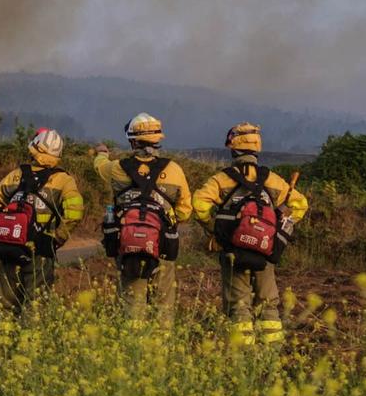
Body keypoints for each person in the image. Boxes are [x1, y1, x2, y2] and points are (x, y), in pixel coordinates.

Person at [192, 122, 309, 346]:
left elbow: (198, 204)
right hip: (264, 251)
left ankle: (243, 353)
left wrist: (213, 230)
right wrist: (276, 227)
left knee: (238, 305)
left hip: (233, 251)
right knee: (268, 303)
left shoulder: (221, 179)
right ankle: (272, 350)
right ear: (257, 147)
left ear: (233, 147)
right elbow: (300, 204)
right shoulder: (272, 179)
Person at [93, 112, 192, 323]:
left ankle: (133, 340)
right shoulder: (174, 170)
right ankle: (161, 341)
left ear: (133, 142)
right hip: (162, 245)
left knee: (132, 303)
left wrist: (101, 153)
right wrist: (164, 221)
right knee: (163, 304)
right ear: (157, 139)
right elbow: (185, 210)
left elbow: (99, 167)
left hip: (129, 245)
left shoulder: (117, 168)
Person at [0, 127, 83, 316]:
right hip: (41, 250)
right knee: (36, 306)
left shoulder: (16, 175)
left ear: (34, 149)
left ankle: (6, 333)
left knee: (7, 304)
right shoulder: (64, 180)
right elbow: (75, 213)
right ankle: (30, 334)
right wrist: (56, 239)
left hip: (10, 246)